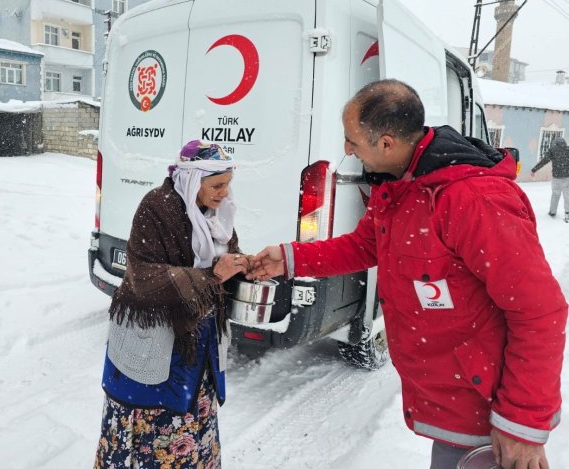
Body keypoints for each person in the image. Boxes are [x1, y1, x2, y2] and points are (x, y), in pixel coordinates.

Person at [248, 79, 567, 469]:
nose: (347, 149)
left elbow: (539, 312)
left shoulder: (474, 201)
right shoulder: (401, 186)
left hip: (492, 423)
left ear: (386, 144)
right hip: (455, 412)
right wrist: (289, 258)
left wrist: (520, 422)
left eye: (352, 141)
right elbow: (364, 245)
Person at [94, 140, 250, 469]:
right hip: (153, 344)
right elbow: (144, 276)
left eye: (227, 184)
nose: (224, 193)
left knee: (194, 424)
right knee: (152, 427)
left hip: (199, 345)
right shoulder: (156, 208)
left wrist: (244, 267)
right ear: (193, 180)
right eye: (217, 185)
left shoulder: (218, 216)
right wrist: (210, 275)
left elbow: (224, 261)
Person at [530, 137, 569, 222]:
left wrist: (534, 169)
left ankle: (552, 212)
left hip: (556, 177)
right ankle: (567, 213)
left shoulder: (552, 150)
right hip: (567, 177)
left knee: (555, 194)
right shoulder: (567, 150)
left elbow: (544, 161)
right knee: (567, 196)